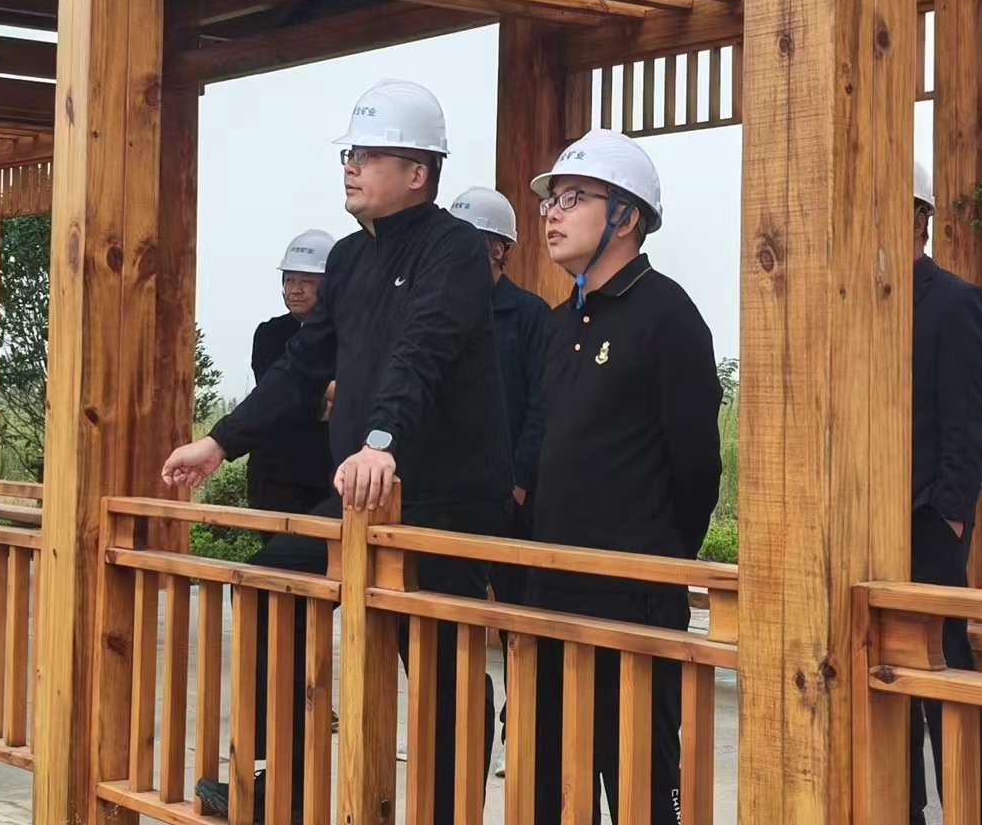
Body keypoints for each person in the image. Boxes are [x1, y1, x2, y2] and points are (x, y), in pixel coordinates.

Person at [165, 80, 511, 825]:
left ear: (417, 172)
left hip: (442, 495)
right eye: (349, 153)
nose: (351, 166)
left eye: (370, 155)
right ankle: (279, 786)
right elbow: (301, 366)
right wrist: (221, 442)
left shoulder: (453, 249)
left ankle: (448, 812)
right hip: (362, 495)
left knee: (440, 664)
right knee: (271, 586)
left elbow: (422, 349)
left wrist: (381, 440)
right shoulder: (351, 259)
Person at [522, 129, 722, 825]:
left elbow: (697, 468)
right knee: (547, 779)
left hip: (633, 596)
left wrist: (658, 563)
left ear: (626, 216)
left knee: (642, 782)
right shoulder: (557, 325)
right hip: (551, 590)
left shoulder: (667, 315)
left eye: (573, 198)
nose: (552, 214)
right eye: (550, 200)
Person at [906, 161, 982, 824]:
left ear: (921, 217)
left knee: (946, 683)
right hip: (866, 521)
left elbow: (969, 425)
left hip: (926, 524)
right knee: (882, 684)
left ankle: (976, 813)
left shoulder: (955, 302)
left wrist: (947, 518)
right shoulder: (858, 301)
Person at [449, 185, 552, 780]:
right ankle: (458, 742)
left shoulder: (530, 316)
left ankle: (526, 729)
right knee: (452, 624)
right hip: (453, 502)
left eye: (474, 243)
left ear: (500, 250)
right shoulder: (440, 314)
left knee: (519, 621)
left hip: (513, 503)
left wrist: (518, 484)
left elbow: (541, 407)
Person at [244, 229, 339, 514]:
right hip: (275, 475)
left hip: (329, 474)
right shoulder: (271, 333)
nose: (295, 289)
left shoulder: (351, 333)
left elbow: (360, 393)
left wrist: (315, 392)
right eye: (289, 279)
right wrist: (328, 397)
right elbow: (278, 397)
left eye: (306, 281)